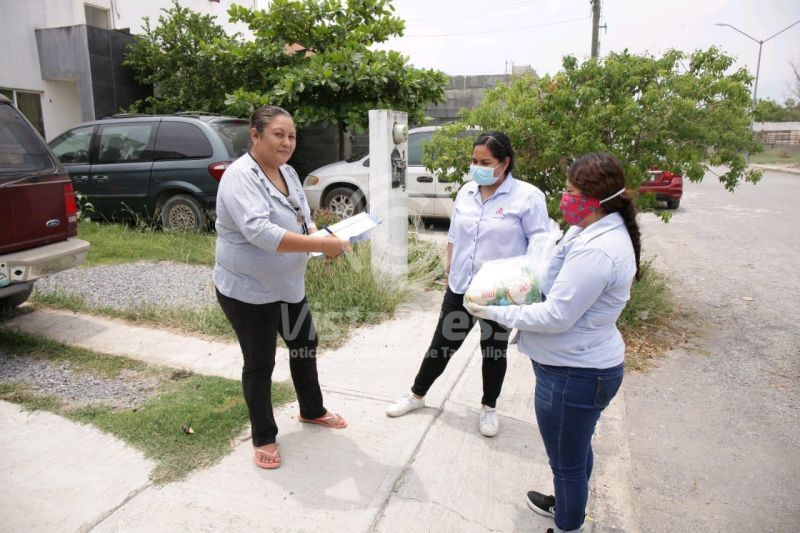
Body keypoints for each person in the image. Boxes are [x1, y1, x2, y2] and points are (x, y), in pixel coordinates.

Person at [466, 152, 641, 532]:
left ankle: (568, 525)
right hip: (577, 368)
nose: (564, 198)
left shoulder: (598, 250)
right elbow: (553, 278)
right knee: (574, 450)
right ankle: (567, 506)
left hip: (574, 374)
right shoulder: (589, 229)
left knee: (567, 463)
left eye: (570, 192)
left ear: (595, 198)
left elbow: (555, 316)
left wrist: (494, 311)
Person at [214, 105, 353, 470]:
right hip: (248, 292)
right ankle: (263, 436)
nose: (287, 142)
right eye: (279, 134)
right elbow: (260, 232)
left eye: (291, 136)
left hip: (288, 286)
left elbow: (303, 220)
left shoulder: (288, 172)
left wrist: (323, 244)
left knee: (305, 345)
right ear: (255, 135)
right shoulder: (240, 176)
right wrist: (321, 245)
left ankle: (312, 409)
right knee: (260, 362)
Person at [385, 131, 549, 437]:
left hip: (500, 293)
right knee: (441, 345)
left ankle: (489, 407)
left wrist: (526, 288)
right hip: (461, 286)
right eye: (474, 161)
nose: (477, 167)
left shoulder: (528, 197)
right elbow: (454, 235)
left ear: (504, 163)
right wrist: (449, 271)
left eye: (485, 162)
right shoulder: (467, 191)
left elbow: (539, 247)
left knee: (494, 350)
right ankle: (417, 395)